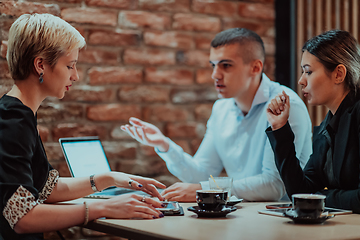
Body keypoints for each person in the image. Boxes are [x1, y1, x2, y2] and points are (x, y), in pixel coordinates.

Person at [0, 13, 167, 240]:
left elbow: (47, 188)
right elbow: (23, 217)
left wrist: (110, 178)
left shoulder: (20, 114)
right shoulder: (12, 120)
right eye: (70, 66)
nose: (76, 76)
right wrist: (105, 208)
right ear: (40, 65)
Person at [121, 28, 313, 202]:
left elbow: (274, 186)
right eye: (213, 65)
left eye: (226, 65)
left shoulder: (286, 106)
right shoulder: (221, 109)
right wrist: (164, 145)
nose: (215, 75)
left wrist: (203, 190)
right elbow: (203, 174)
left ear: (256, 67)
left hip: (282, 222)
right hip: (238, 218)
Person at [266, 30, 360, 213]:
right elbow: (300, 192)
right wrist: (280, 128)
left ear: (339, 74)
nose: (301, 81)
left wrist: (321, 197)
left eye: (308, 71)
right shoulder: (328, 124)